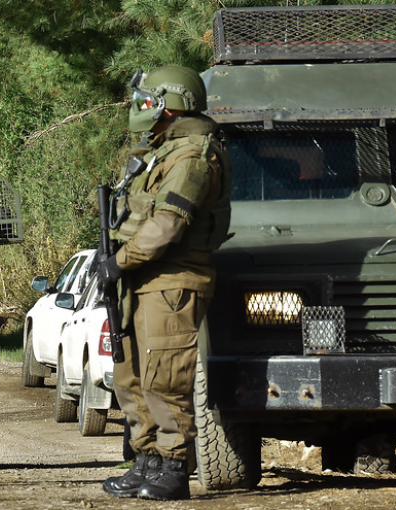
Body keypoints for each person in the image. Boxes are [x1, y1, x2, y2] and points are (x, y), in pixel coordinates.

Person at [99, 66, 232, 501]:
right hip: (142, 278)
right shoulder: (161, 152)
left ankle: (173, 467)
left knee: (164, 376)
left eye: (147, 98)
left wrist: (118, 261)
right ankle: (147, 460)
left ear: (169, 104)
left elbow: (167, 226)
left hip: (172, 280)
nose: (139, 107)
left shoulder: (193, 156)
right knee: (130, 372)